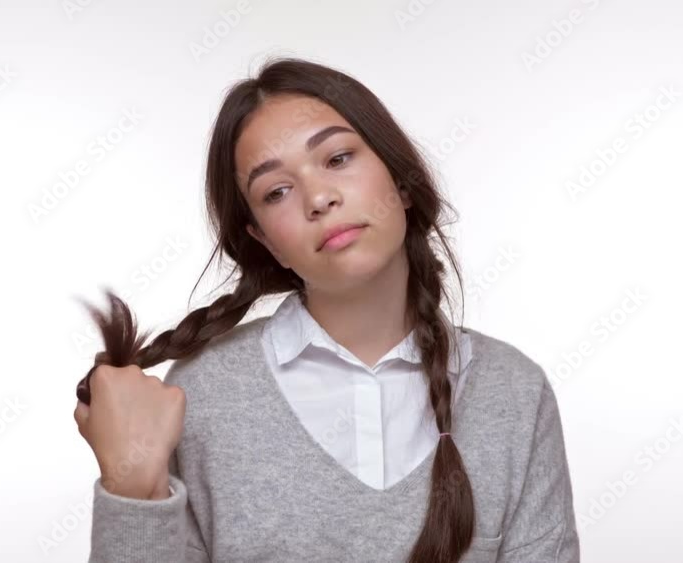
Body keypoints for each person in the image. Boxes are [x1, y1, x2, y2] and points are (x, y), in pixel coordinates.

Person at [72, 56, 580, 563]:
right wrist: (132, 490)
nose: (318, 198)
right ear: (264, 240)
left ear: (401, 182)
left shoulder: (514, 392)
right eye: (277, 192)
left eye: (337, 159)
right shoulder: (201, 394)